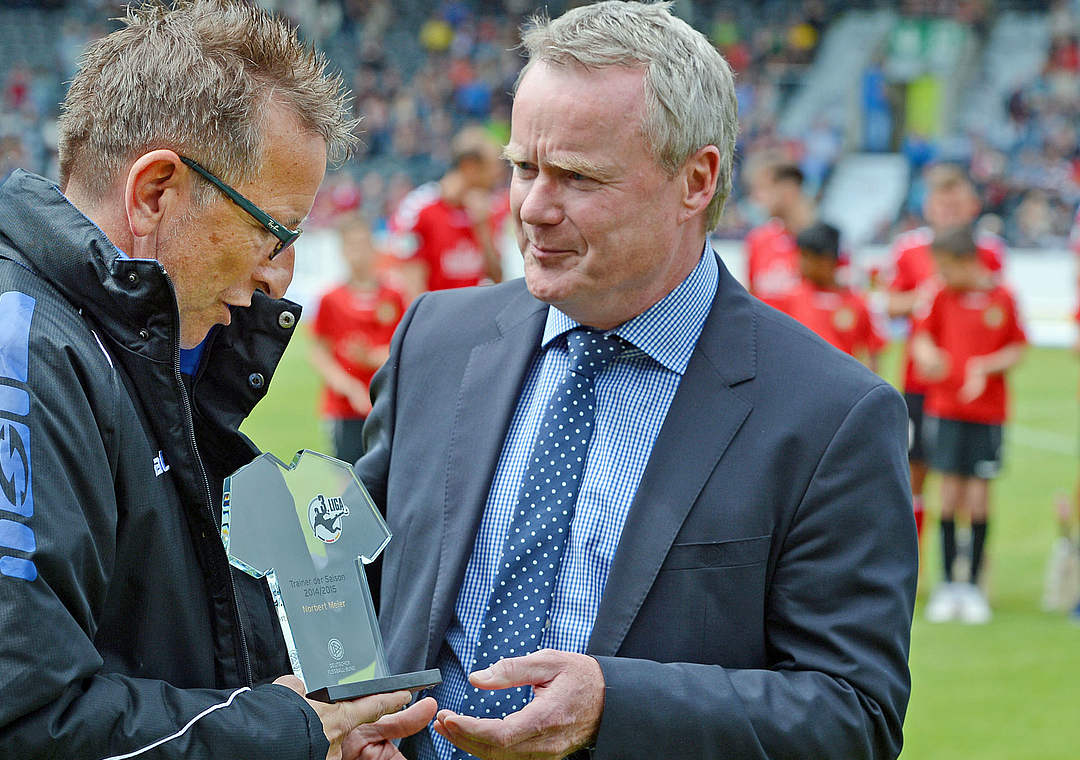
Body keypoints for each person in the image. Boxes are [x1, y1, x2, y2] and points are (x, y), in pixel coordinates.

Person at [0, 4, 423, 758]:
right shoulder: (14, 361)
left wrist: (312, 723)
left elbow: (150, 654)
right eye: (273, 231)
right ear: (155, 193)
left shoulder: (119, 350)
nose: (278, 275)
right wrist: (286, 731)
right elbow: (0, 733)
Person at [354, 3, 917, 759]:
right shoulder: (436, 341)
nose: (532, 207)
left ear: (696, 180)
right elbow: (359, 587)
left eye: (578, 177)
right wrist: (348, 717)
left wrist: (614, 708)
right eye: (524, 167)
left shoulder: (829, 416)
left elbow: (856, 716)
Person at [885, 163, 1007, 542]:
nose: (949, 212)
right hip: (921, 380)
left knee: (973, 480)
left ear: (970, 205)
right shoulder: (909, 249)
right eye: (942, 204)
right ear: (929, 206)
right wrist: (924, 299)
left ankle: (972, 575)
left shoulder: (987, 250)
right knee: (915, 469)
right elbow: (890, 304)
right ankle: (914, 564)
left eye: (956, 204)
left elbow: (997, 309)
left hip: (971, 389)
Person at [913, 226, 1027, 625]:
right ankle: (948, 587)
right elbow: (921, 338)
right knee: (948, 495)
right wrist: (929, 356)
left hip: (987, 413)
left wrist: (985, 366)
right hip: (945, 408)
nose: (941, 276)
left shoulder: (1003, 297)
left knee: (978, 498)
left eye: (946, 268)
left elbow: (1017, 347)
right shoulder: (942, 296)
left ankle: (974, 585)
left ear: (966, 262)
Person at [310, 213, 406, 463]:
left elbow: (404, 348)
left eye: (363, 244)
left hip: (386, 404)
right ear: (342, 250)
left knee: (388, 478)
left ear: (374, 247)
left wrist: (375, 358)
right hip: (345, 410)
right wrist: (348, 387)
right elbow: (320, 353)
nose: (358, 252)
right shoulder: (330, 300)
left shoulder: (394, 296)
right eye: (351, 245)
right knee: (349, 483)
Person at [390, 125, 507, 299]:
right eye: (492, 168)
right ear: (470, 167)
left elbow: (498, 280)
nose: (498, 176)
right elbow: (412, 290)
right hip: (435, 321)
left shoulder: (486, 210)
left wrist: (482, 228)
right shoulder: (419, 209)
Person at [776, 221, 885, 371]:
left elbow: (873, 354)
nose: (799, 263)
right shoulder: (791, 298)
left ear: (826, 260)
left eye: (806, 257)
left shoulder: (857, 303)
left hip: (844, 388)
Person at [743, 161, 815, 306]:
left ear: (788, 190)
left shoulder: (823, 241)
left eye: (764, 189)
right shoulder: (758, 240)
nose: (757, 198)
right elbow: (752, 297)